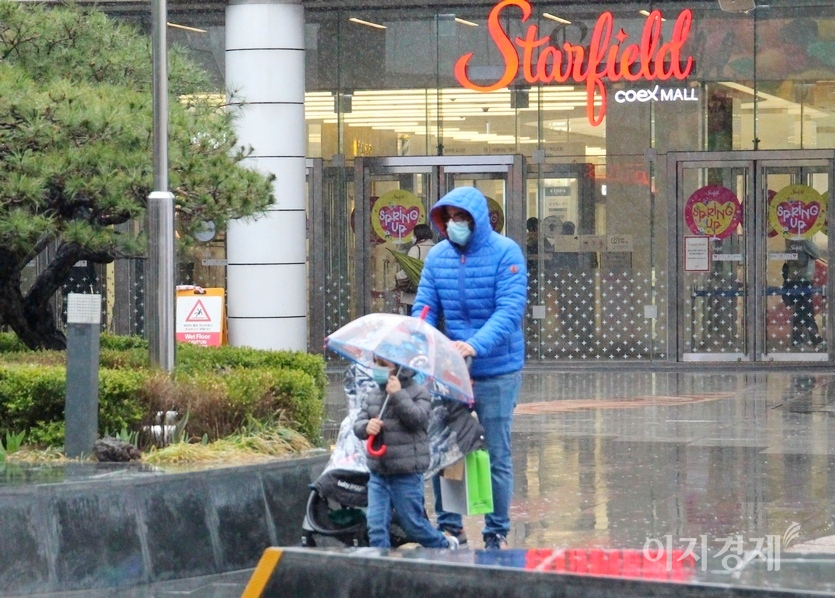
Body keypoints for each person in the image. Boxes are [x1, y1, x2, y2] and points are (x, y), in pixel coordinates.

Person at [412, 186, 527, 550]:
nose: (455, 224)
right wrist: (424, 338)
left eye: (462, 218)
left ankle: (496, 530)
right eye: (449, 219)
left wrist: (475, 344)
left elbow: (509, 311)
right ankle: (451, 527)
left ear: (477, 220)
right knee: (446, 448)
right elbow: (425, 307)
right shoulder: (438, 258)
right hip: (450, 369)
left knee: (495, 450)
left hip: (497, 368)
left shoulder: (506, 253)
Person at [353, 354, 459, 550]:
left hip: (406, 473)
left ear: (400, 368)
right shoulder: (373, 395)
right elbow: (358, 423)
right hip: (379, 472)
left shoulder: (419, 392)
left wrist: (398, 395)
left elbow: (418, 419)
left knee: (412, 524)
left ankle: (443, 544)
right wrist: (366, 426)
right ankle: (382, 566)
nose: (377, 368)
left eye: (383, 364)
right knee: (375, 525)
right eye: (375, 363)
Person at [783, 238, 824, 347]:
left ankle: (798, 340)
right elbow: (817, 253)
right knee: (807, 311)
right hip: (803, 280)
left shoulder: (789, 241)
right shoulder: (803, 240)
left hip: (794, 280)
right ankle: (815, 340)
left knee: (800, 311)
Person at [396, 223, 435, 314]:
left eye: (414, 234)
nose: (412, 237)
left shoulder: (416, 249)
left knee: (415, 320)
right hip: (431, 293)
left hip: (416, 294)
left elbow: (408, 270)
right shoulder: (436, 248)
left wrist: (397, 276)